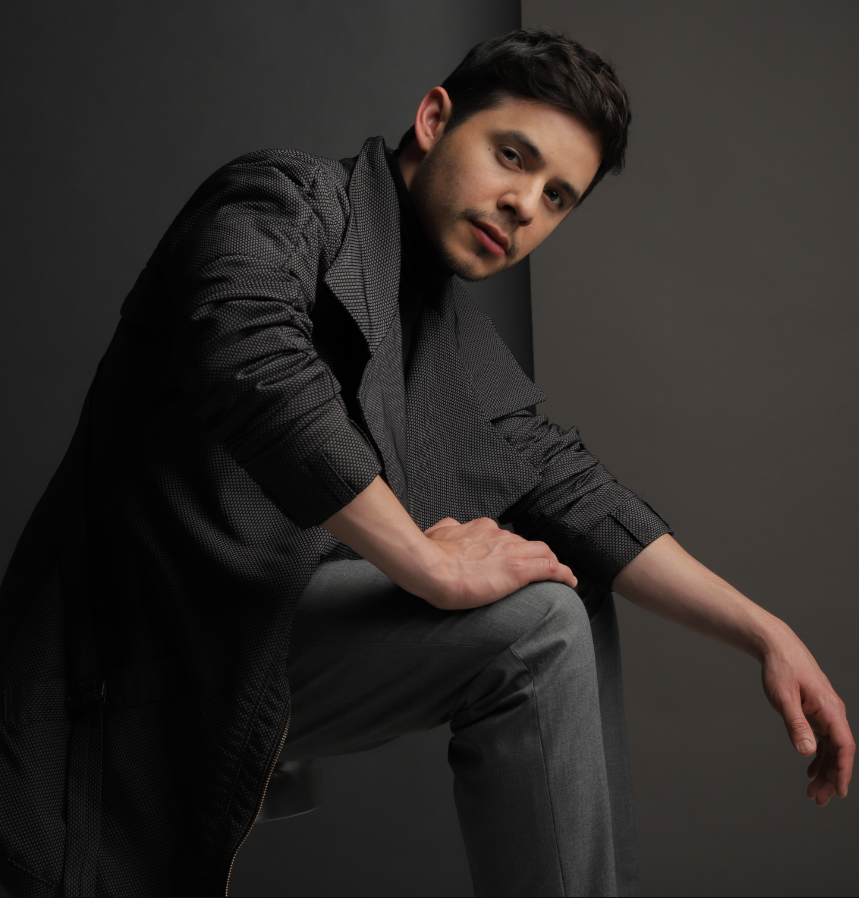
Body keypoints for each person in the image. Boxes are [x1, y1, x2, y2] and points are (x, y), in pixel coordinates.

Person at [0, 28, 852, 898]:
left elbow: (573, 490)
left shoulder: (446, 332)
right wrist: (426, 563)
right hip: (134, 649)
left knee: (563, 575)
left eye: (556, 196)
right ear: (435, 118)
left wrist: (764, 633)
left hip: (257, 640)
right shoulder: (281, 199)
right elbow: (251, 358)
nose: (523, 205)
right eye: (511, 156)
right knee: (537, 621)